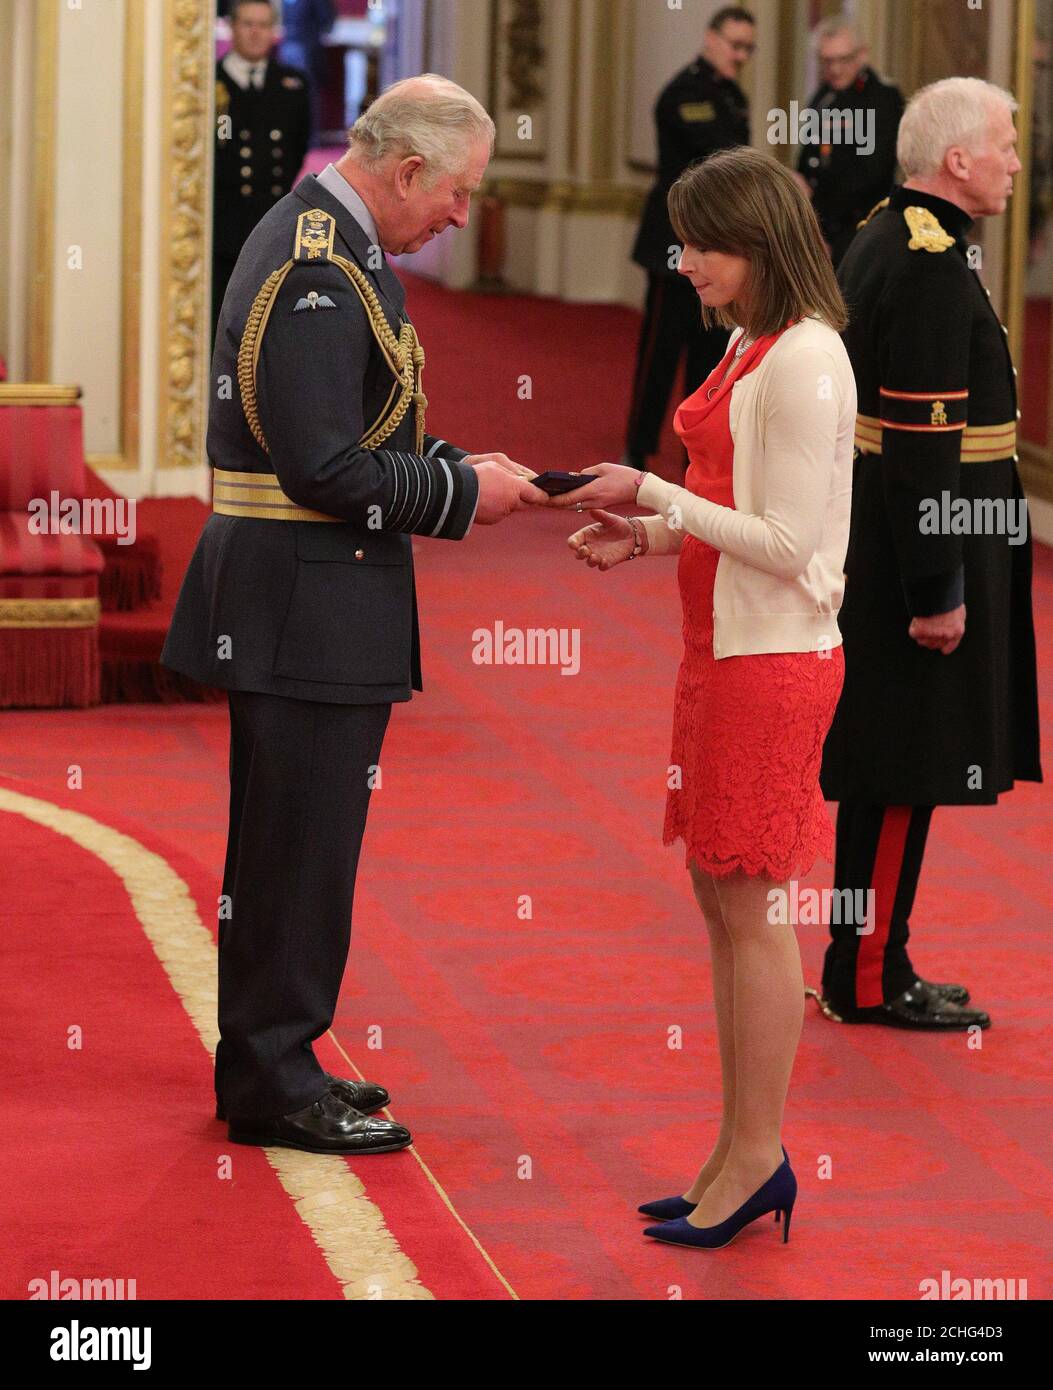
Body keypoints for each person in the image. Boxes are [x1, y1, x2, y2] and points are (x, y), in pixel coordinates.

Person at [161, 74, 546, 1155]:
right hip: (301, 595)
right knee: (294, 848)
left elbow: (356, 428)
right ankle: (272, 1076)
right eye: (459, 193)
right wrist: (465, 497)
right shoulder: (318, 265)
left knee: (304, 844)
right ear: (408, 168)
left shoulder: (336, 242)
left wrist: (453, 464)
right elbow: (326, 465)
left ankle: (282, 1053)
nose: (462, 217)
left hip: (313, 589)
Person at [553, 147, 856, 1249]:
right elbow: (735, 504)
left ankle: (763, 1153)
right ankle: (736, 1150)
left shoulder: (808, 358)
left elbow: (786, 544)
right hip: (717, 653)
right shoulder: (749, 341)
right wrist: (648, 532)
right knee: (721, 905)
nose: (681, 262)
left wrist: (654, 486)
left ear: (760, 241)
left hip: (772, 662)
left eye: (701, 244)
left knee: (754, 908)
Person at [819, 77, 1042, 1030]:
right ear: (957, 160)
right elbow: (919, 451)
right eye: (1004, 143)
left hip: (914, 535)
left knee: (898, 765)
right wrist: (937, 589)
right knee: (905, 765)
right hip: (924, 548)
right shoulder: (919, 261)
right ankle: (866, 976)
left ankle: (878, 956)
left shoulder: (900, 234)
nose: (1014, 161)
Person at [624, 5, 755, 473]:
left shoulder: (731, 94)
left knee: (708, 354)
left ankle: (694, 451)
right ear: (711, 38)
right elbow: (721, 154)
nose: (740, 56)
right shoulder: (685, 93)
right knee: (659, 353)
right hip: (673, 245)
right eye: (735, 45)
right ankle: (637, 446)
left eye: (748, 49)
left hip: (715, 245)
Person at [212, 0, 312, 345]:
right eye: (247, 24)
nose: (256, 33)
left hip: (271, 224)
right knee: (222, 326)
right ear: (232, 27)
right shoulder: (208, 84)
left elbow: (297, 149)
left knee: (269, 330)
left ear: (273, 31)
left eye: (263, 25)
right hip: (221, 230)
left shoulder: (292, 86)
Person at [793, 16, 904, 265]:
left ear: (862, 54)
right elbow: (809, 157)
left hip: (859, 228)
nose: (835, 69)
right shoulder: (824, 96)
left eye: (843, 59)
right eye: (827, 61)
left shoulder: (882, 98)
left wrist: (821, 216)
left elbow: (872, 172)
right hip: (822, 226)